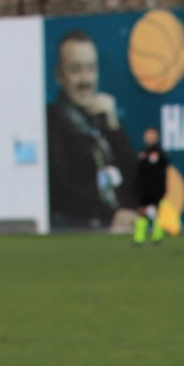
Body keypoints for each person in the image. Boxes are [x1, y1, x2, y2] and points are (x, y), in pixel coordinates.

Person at [46, 30, 135, 232]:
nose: (86, 80)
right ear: (59, 76)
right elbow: (60, 192)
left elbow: (135, 183)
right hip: (80, 230)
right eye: (76, 70)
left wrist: (114, 128)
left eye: (91, 69)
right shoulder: (51, 123)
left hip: (119, 226)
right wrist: (110, 216)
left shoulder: (103, 119)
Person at [131, 127, 170, 245]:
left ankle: (157, 236)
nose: (149, 138)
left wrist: (162, 186)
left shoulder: (160, 153)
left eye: (152, 136)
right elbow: (139, 171)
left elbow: (164, 169)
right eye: (148, 136)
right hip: (144, 187)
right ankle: (139, 238)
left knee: (157, 211)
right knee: (141, 211)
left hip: (156, 187)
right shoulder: (142, 153)